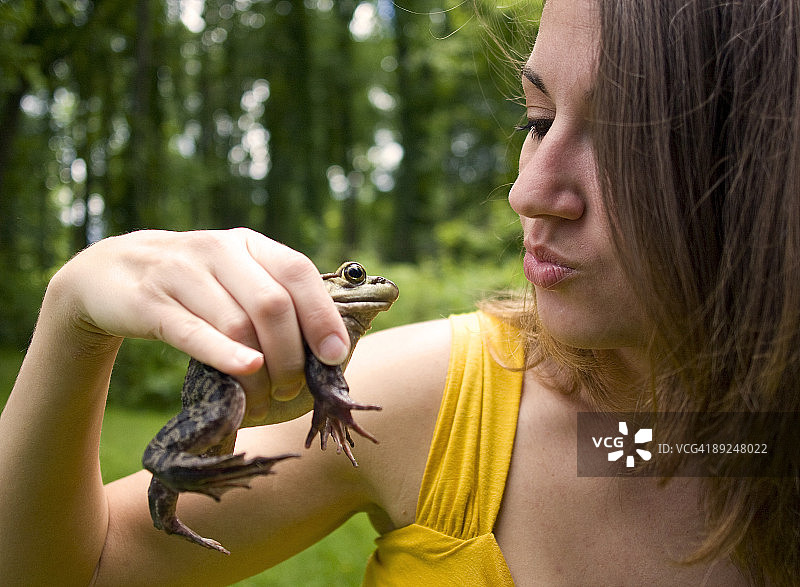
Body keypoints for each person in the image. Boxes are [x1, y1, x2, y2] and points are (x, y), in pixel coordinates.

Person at [1, 0, 797, 584]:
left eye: (628, 138)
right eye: (536, 116)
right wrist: (75, 316)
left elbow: (673, 449)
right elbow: (68, 569)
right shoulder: (442, 395)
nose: (529, 190)